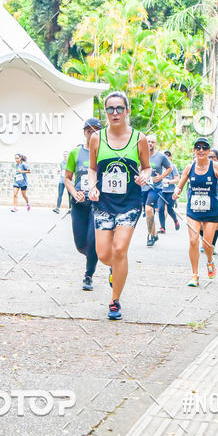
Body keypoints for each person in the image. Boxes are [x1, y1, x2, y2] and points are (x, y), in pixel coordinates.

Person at [88, 92, 150, 319]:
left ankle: (115, 301)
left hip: (129, 203)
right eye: (110, 109)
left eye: (119, 108)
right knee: (104, 255)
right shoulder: (97, 138)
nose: (115, 113)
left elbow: (147, 167)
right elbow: (93, 168)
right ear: (105, 112)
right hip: (104, 202)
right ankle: (116, 268)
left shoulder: (139, 138)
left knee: (120, 249)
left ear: (127, 110)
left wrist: (144, 177)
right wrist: (92, 187)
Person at [173, 137, 218, 286]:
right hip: (193, 210)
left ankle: (210, 262)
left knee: (206, 244)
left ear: (208, 151)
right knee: (193, 241)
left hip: (211, 210)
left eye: (204, 148)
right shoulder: (189, 167)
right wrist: (176, 191)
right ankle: (194, 275)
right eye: (197, 147)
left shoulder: (216, 166)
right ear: (194, 150)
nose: (201, 150)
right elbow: (179, 186)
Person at [64, 117, 102, 290]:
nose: (92, 133)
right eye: (89, 130)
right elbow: (67, 178)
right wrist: (74, 192)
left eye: (96, 130)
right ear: (84, 132)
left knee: (92, 240)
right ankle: (96, 256)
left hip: (98, 205)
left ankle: (88, 275)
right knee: (81, 244)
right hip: (79, 205)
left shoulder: (104, 152)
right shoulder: (75, 153)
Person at [143, 135, 172, 246]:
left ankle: (150, 235)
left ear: (155, 144)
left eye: (152, 142)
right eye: (148, 141)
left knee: (149, 210)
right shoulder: (141, 154)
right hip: (143, 187)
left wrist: (161, 177)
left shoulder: (161, 156)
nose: (150, 144)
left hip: (155, 187)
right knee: (148, 212)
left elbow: (169, 168)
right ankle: (155, 235)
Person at [157, 150, 180, 233]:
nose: (166, 157)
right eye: (165, 155)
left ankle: (175, 220)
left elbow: (177, 179)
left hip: (170, 191)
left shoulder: (172, 166)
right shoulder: (159, 166)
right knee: (161, 209)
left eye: (168, 155)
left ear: (170, 157)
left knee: (170, 209)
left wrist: (169, 181)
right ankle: (162, 228)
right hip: (161, 191)